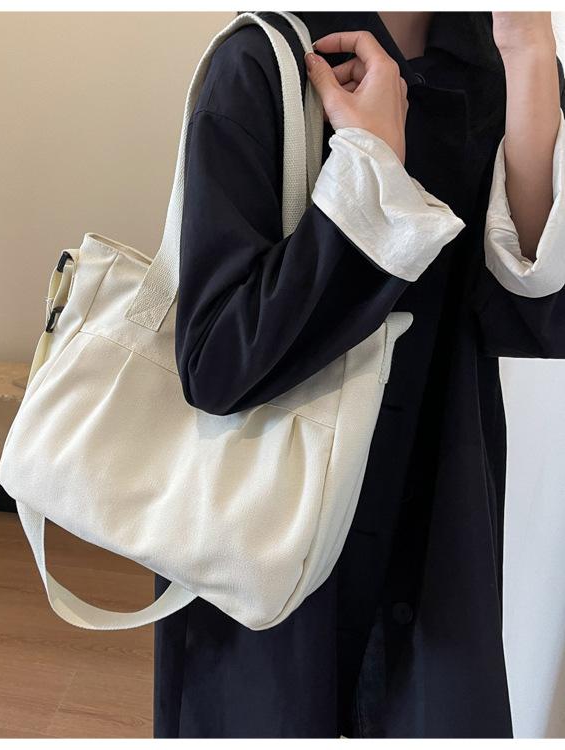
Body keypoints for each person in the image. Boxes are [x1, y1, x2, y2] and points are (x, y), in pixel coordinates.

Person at [153, 10, 565, 738]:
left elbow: (529, 321)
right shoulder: (266, 62)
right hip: (268, 520)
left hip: (437, 504)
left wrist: (531, 53)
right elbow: (216, 363)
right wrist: (370, 167)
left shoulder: (501, 61)